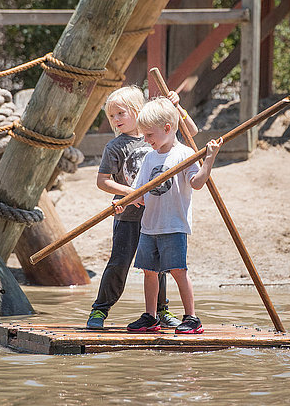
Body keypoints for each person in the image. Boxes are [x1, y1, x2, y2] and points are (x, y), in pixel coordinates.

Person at [86, 85, 198, 330]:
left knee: (157, 267)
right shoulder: (115, 147)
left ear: (139, 111)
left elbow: (191, 132)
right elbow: (102, 180)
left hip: (159, 216)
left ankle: (160, 312)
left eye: (120, 114)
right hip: (128, 215)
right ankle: (99, 310)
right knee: (119, 262)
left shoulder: (156, 136)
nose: (115, 121)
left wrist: (177, 107)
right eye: (111, 116)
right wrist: (131, 195)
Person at [120, 96, 222, 335]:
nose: (145, 140)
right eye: (144, 135)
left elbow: (197, 183)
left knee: (178, 270)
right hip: (150, 226)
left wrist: (209, 159)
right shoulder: (148, 157)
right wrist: (124, 202)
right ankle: (150, 316)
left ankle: (192, 318)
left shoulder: (185, 154)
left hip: (173, 225)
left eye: (149, 135)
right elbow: (139, 193)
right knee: (148, 271)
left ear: (167, 128)